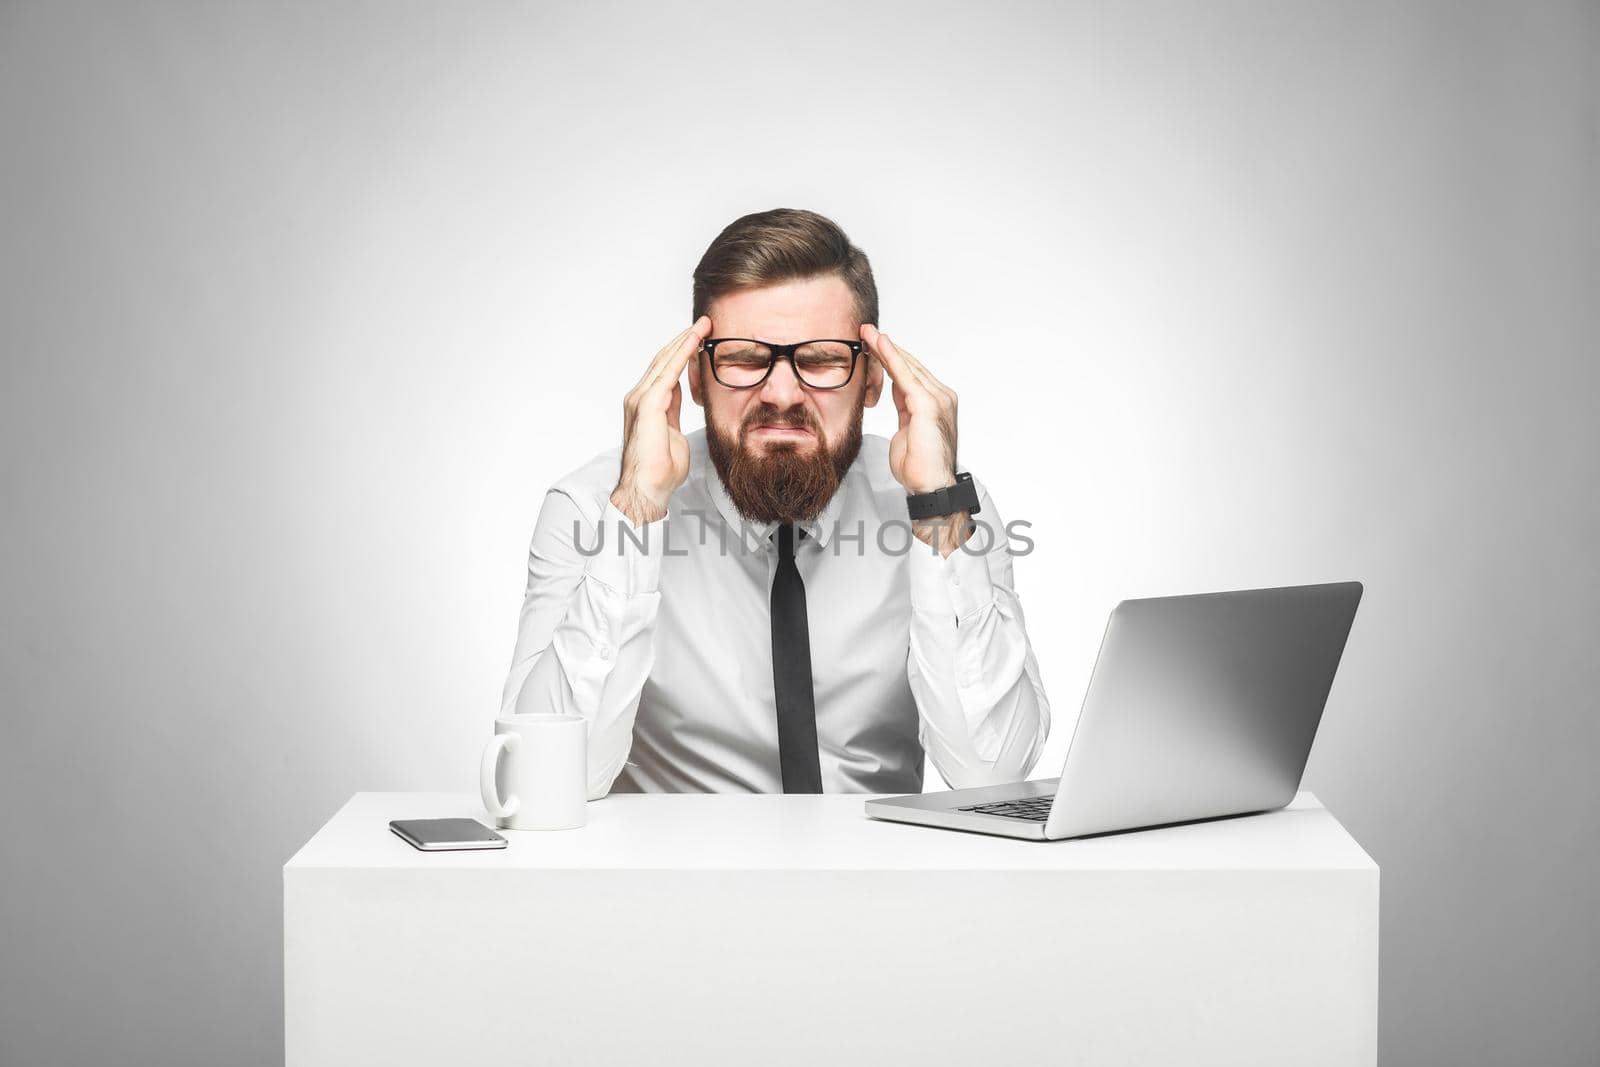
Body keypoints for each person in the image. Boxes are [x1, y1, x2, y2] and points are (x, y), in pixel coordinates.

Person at [500, 208, 1049, 797]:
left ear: (872, 382)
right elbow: (542, 779)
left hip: (879, 880)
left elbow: (993, 772)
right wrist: (636, 508)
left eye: (820, 361)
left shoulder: (949, 509)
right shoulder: (591, 509)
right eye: (743, 358)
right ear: (694, 379)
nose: (781, 393)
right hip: (673, 884)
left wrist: (940, 509)